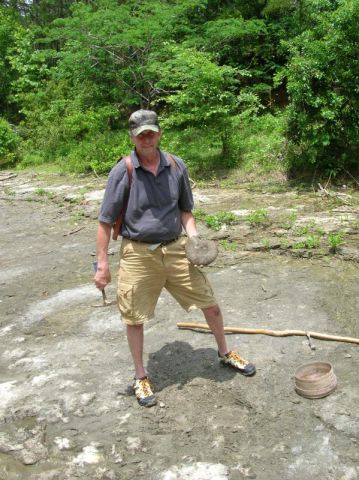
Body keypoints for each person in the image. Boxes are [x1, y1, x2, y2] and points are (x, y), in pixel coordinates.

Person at [94, 109, 256, 407]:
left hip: (176, 248)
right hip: (138, 254)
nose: (147, 137)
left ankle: (224, 353)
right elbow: (105, 222)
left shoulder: (175, 165)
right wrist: (102, 264)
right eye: (141, 133)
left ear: (159, 133)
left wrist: (194, 239)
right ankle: (141, 376)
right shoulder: (124, 170)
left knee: (211, 303)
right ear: (132, 136)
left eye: (151, 132)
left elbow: (185, 211)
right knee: (134, 317)